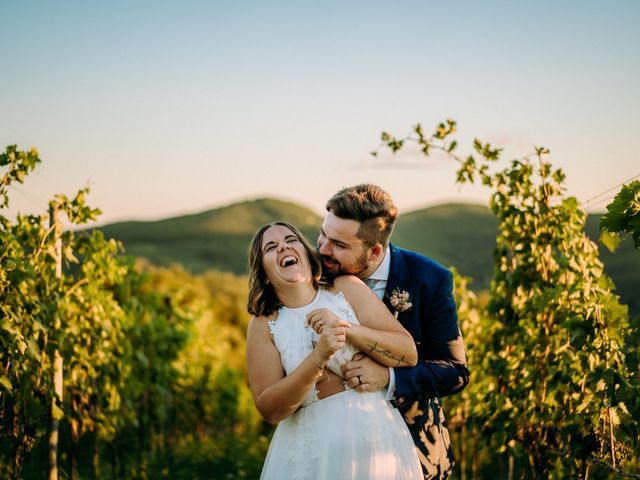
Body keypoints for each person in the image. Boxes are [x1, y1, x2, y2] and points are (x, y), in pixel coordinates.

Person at [246, 221, 423, 480]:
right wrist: (318, 358)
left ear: (306, 252)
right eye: (271, 247)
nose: (283, 247)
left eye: (290, 240)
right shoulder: (263, 324)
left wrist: (346, 329)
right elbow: (269, 409)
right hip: (308, 454)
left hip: (374, 440)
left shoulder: (346, 288)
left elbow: (408, 352)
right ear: (263, 273)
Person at [318, 184, 470, 480]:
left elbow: (455, 371)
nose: (323, 249)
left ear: (375, 250)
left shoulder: (429, 279)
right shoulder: (314, 268)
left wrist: (391, 379)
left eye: (339, 244)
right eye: (323, 234)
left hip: (413, 448)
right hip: (332, 447)